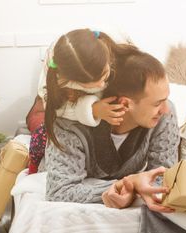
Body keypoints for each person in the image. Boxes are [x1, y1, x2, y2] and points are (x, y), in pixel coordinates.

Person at [45, 49, 180, 212]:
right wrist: (129, 184)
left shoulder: (165, 114)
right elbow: (59, 191)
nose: (165, 110)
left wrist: (131, 187)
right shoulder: (69, 124)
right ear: (125, 104)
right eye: (157, 104)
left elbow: (164, 178)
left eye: (165, 99)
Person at [27, 28, 137, 173]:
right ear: (72, 80)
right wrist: (92, 109)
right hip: (71, 106)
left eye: (104, 77)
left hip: (107, 108)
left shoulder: (114, 50)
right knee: (41, 134)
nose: (101, 85)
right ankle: (32, 165)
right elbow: (54, 108)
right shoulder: (57, 81)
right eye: (92, 83)